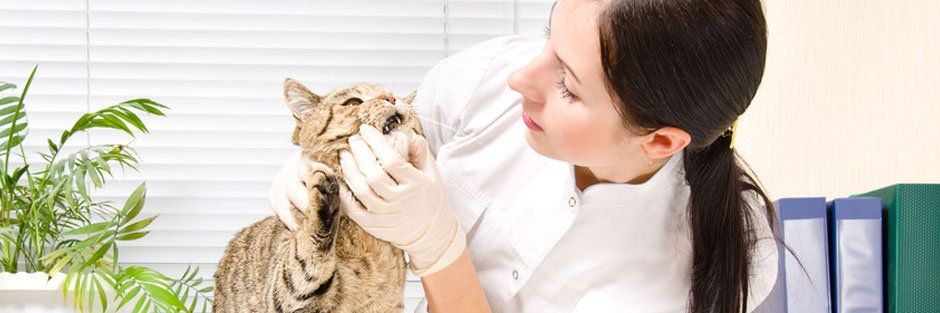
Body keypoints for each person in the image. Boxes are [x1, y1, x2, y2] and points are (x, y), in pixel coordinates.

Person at [268, 0, 781, 312]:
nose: (520, 80)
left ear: (661, 142)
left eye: (569, 86)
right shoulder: (481, 81)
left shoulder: (717, 260)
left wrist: (438, 246)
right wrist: (318, 170)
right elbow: (382, 138)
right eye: (548, 38)